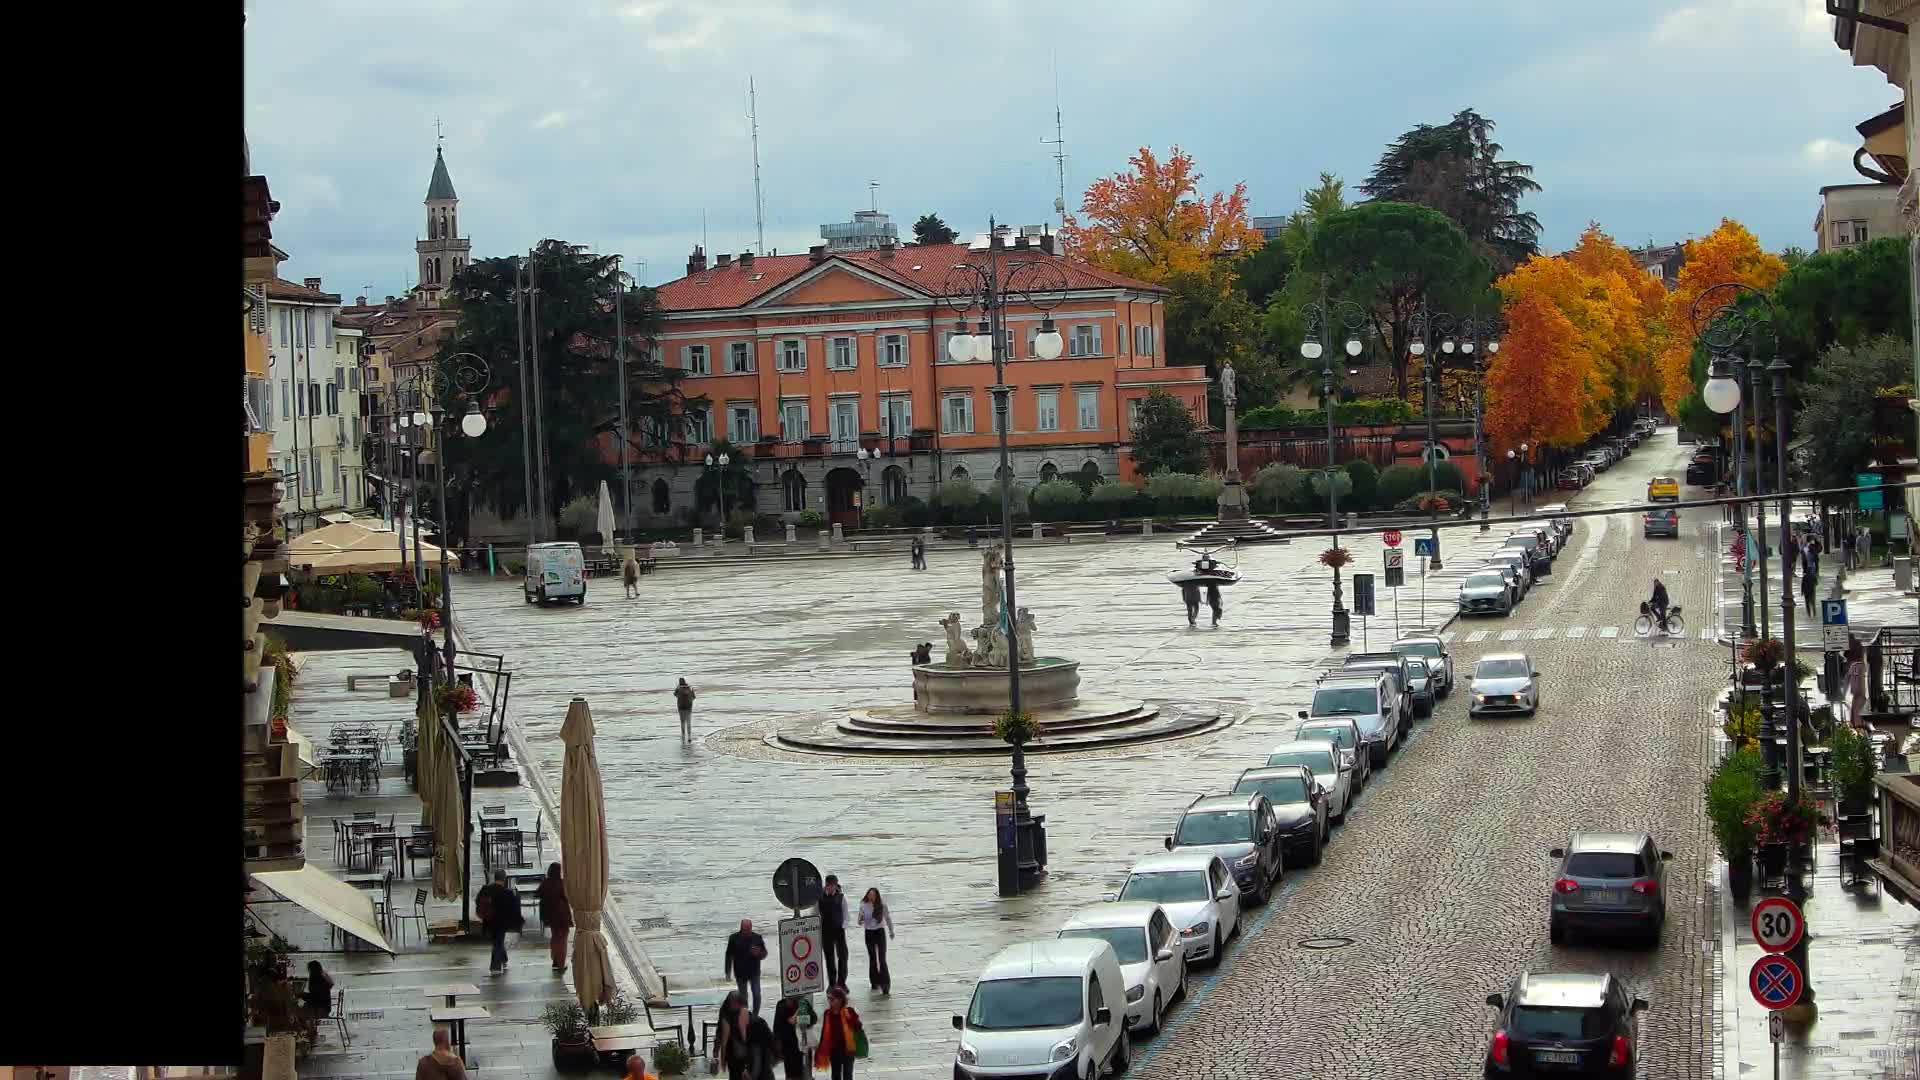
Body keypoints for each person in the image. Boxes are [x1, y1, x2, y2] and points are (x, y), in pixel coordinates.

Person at [476, 868, 523, 976]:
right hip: (501, 923)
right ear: (504, 879)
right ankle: (495, 966)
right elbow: (514, 909)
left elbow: (478, 901)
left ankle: (504, 959)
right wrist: (518, 923)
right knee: (497, 942)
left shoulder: (486, 889)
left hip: (488, 921)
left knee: (497, 941)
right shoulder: (507, 893)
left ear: (495, 877)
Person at [812, 986, 865, 1080]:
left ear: (840, 1000)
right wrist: (820, 1050)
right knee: (835, 1075)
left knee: (848, 1075)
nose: (830, 1001)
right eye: (829, 999)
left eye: (833, 999)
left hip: (848, 1049)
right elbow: (824, 1032)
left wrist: (852, 1019)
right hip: (834, 1050)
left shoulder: (849, 1011)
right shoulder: (827, 1014)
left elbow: (858, 1026)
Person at [724, 918, 768, 1014]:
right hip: (740, 972)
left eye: (747, 930)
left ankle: (755, 1015)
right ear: (740, 928)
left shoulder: (757, 938)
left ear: (751, 928)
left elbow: (764, 953)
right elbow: (728, 956)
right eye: (743, 930)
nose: (745, 932)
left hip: (754, 971)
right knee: (743, 996)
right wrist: (727, 972)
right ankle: (746, 1015)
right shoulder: (734, 938)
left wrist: (759, 953)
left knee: (756, 994)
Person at [535, 862, 572, 974]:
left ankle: (555, 960)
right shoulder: (561, 883)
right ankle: (560, 963)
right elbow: (568, 896)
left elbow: (538, 894)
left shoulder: (545, 883)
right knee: (562, 939)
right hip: (562, 915)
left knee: (555, 937)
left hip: (550, 916)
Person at [858, 887, 894, 995]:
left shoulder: (882, 905)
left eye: (873, 895)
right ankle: (874, 981)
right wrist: (862, 918)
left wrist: (891, 931)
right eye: (870, 894)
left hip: (880, 932)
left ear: (877, 896)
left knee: (882, 959)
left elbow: (887, 918)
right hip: (869, 932)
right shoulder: (863, 905)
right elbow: (859, 921)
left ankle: (885, 984)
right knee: (872, 958)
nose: (871, 897)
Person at [818, 874, 850, 990]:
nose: (830, 888)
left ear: (836, 886)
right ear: (825, 885)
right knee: (829, 958)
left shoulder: (841, 898)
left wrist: (843, 926)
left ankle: (841, 983)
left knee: (843, 956)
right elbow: (814, 914)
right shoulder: (819, 898)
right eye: (828, 885)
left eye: (832, 886)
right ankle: (832, 984)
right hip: (825, 930)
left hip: (839, 930)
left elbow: (846, 915)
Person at [710, 991, 745, 1078]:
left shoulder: (744, 1011)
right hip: (731, 1049)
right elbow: (721, 1035)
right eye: (732, 1003)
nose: (734, 1005)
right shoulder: (725, 1012)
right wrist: (717, 1054)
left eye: (736, 1003)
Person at [772, 997, 807, 1080]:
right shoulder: (782, 1006)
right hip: (789, 1046)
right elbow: (792, 1021)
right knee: (793, 1072)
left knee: (796, 1071)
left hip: (796, 1045)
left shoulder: (800, 1003)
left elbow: (807, 1021)